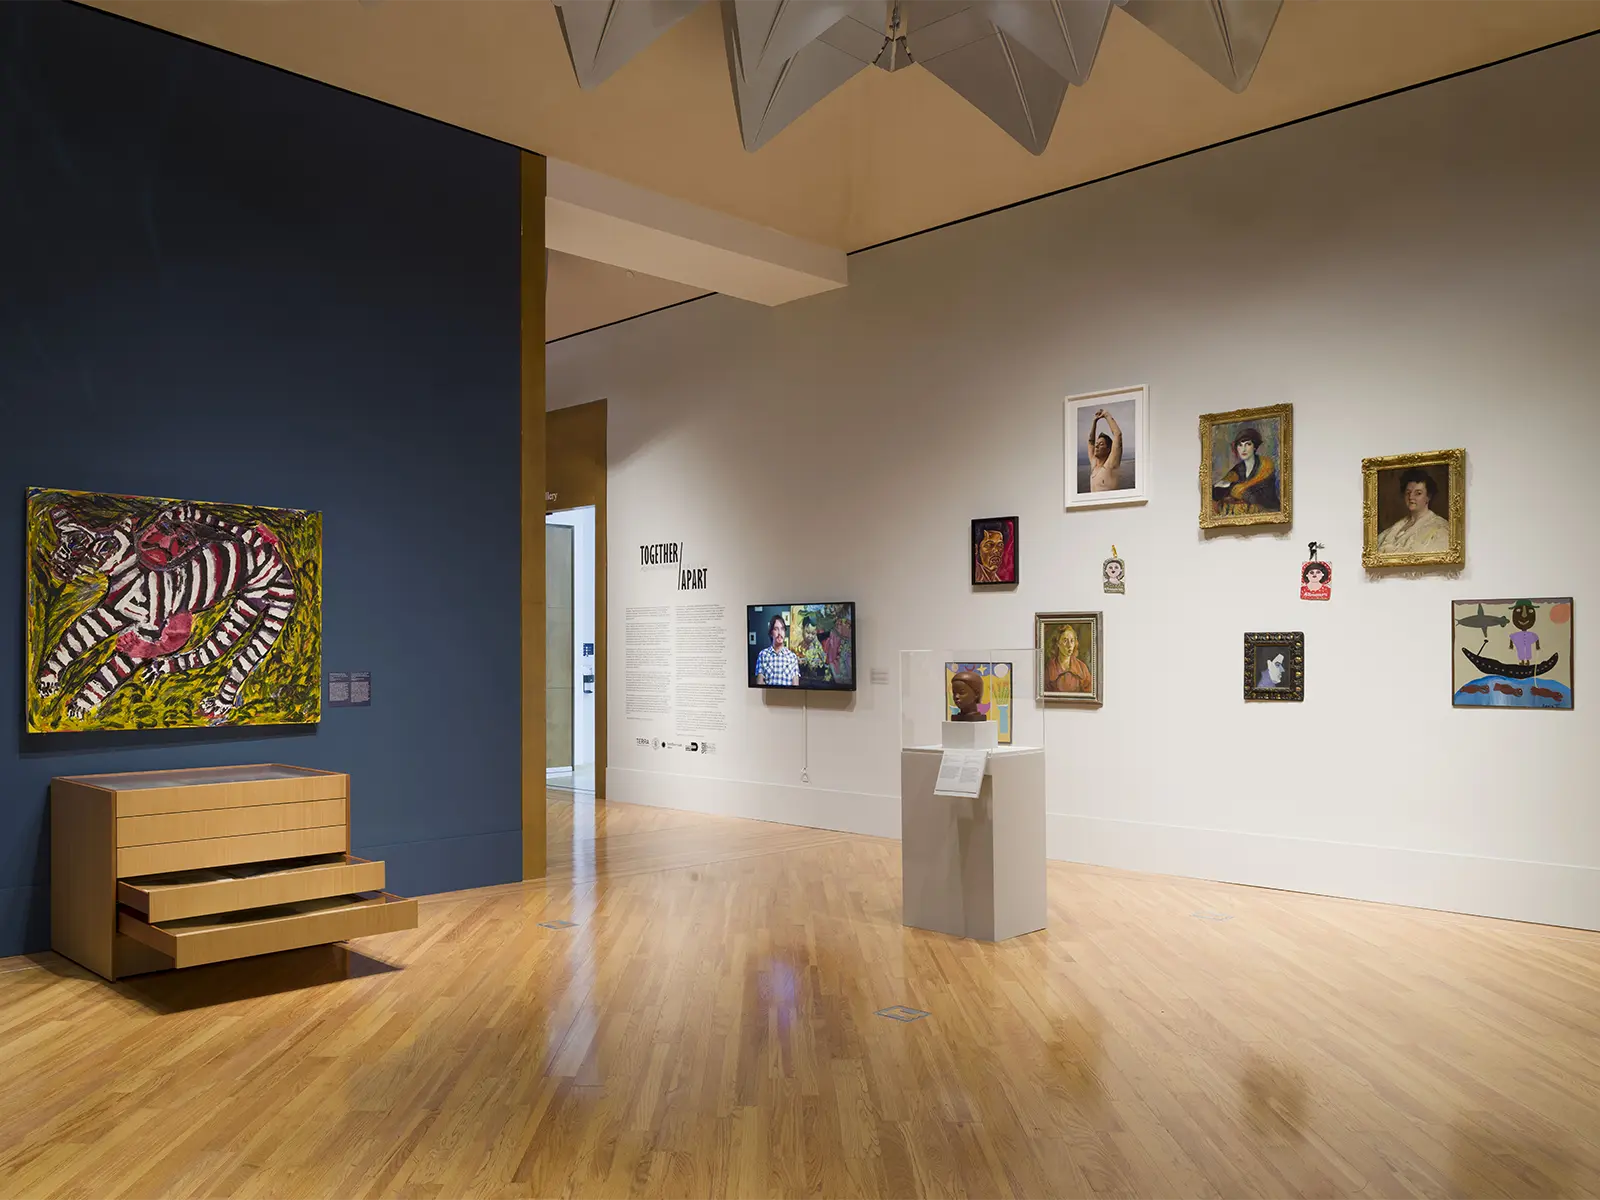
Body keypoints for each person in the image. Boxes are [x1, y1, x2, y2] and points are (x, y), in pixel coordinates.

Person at [1375, 468, 1450, 554]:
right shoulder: (1397, 526)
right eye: (1408, 493)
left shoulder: (1439, 528)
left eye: (1418, 493)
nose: (1411, 497)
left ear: (1428, 497)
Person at [1211, 427, 1279, 515]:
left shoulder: (1266, 465)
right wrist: (1232, 488)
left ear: (1255, 446)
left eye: (1248, 444)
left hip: (1269, 512)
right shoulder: (1238, 468)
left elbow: (1257, 497)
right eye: (1240, 445)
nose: (1243, 449)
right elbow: (1216, 492)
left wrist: (1231, 487)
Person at [1044, 624, 1093, 694]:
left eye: (1072, 641)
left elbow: (1089, 692)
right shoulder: (1049, 668)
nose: (1069, 645)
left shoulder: (1082, 668)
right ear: (1057, 643)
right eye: (1065, 640)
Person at [754, 613, 799, 686]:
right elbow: (759, 682)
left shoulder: (792, 657)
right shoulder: (763, 655)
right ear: (771, 633)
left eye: (782, 629)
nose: (779, 633)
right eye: (776, 629)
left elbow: (796, 684)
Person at [1087, 410, 1124, 492]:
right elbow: (1090, 442)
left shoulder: (1111, 465)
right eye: (1097, 443)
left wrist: (1106, 415)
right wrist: (1094, 421)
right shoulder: (1094, 465)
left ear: (1108, 449)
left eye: (1101, 444)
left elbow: (1117, 435)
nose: (1096, 446)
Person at [796, 614, 830, 681]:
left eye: (813, 633)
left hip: (818, 676)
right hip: (805, 678)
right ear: (803, 629)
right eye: (807, 632)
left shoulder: (817, 644)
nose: (810, 636)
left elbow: (823, 658)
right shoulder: (800, 646)